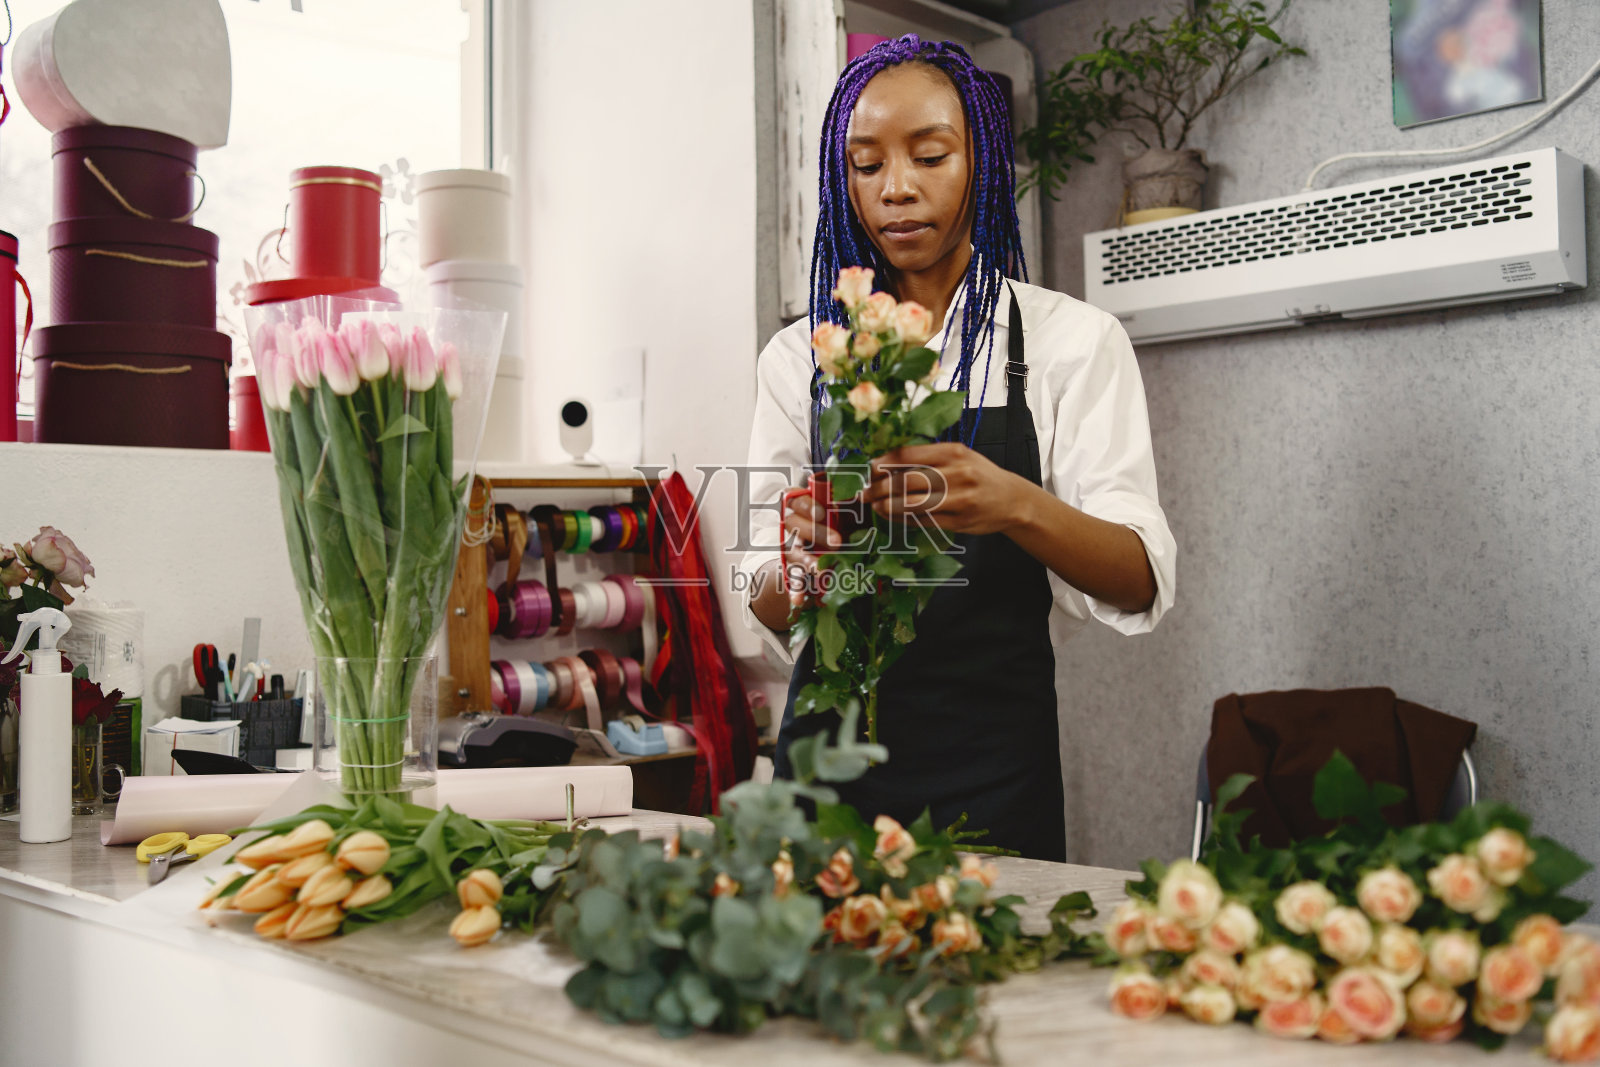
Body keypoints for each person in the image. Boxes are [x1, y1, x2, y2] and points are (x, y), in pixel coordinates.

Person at [737, 35, 1176, 861]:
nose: (897, 188)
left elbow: (1139, 573)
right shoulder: (799, 357)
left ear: (981, 160)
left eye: (930, 155)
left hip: (991, 773)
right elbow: (759, 589)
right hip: (822, 774)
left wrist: (1016, 503)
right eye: (866, 166)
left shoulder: (1072, 342)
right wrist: (802, 569)